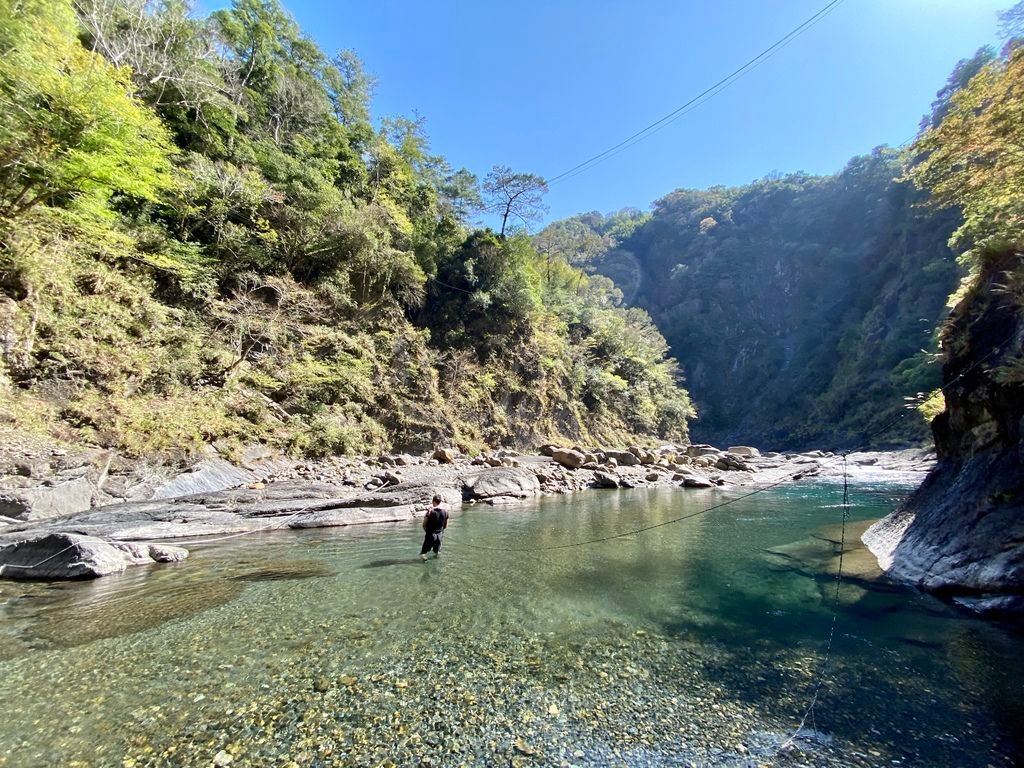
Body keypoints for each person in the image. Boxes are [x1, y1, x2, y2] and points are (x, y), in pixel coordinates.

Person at [420, 494, 449, 560]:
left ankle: (425, 563)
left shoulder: (430, 511)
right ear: (440, 502)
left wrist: (428, 532)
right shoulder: (445, 512)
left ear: (433, 501)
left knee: (423, 553)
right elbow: (445, 526)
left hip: (430, 535)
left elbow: (424, 525)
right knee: (437, 552)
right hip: (439, 536)